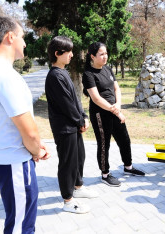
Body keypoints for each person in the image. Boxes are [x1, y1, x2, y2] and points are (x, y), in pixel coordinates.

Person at [0, 16, 50, 233]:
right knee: (21, 226)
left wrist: (34, 147)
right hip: (14, 162)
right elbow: (29, 132)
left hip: (2, 158)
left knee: (17, 220)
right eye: (22, 37)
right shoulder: (4, 76)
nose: (25, 43)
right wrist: (37, 150)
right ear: (10, 37)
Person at [45, 36, 98, 214]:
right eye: (68, 52)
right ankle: (68, 200)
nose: (72, 55)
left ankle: (78, 186)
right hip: (64, 127)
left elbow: (75, 99)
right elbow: (66, 104)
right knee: (67, 163)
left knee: (78, 157)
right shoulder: (54, 76)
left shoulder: (63, 72)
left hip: (74, 125)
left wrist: (83, 116)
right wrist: (80, 120)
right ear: (57, 53)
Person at [82, 42, 145, 187]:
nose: (105, 57)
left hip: (114, 110)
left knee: (124, 139)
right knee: (104, 144)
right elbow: (96, 98)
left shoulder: (108, 69)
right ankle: (105, 174)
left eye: (106, 53)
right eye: (101, 54)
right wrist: (115, 110)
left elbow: (117, 89)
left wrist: (118, 106)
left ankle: (128, 167)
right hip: (100, 113)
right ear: (92, 56)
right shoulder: (88, 74)